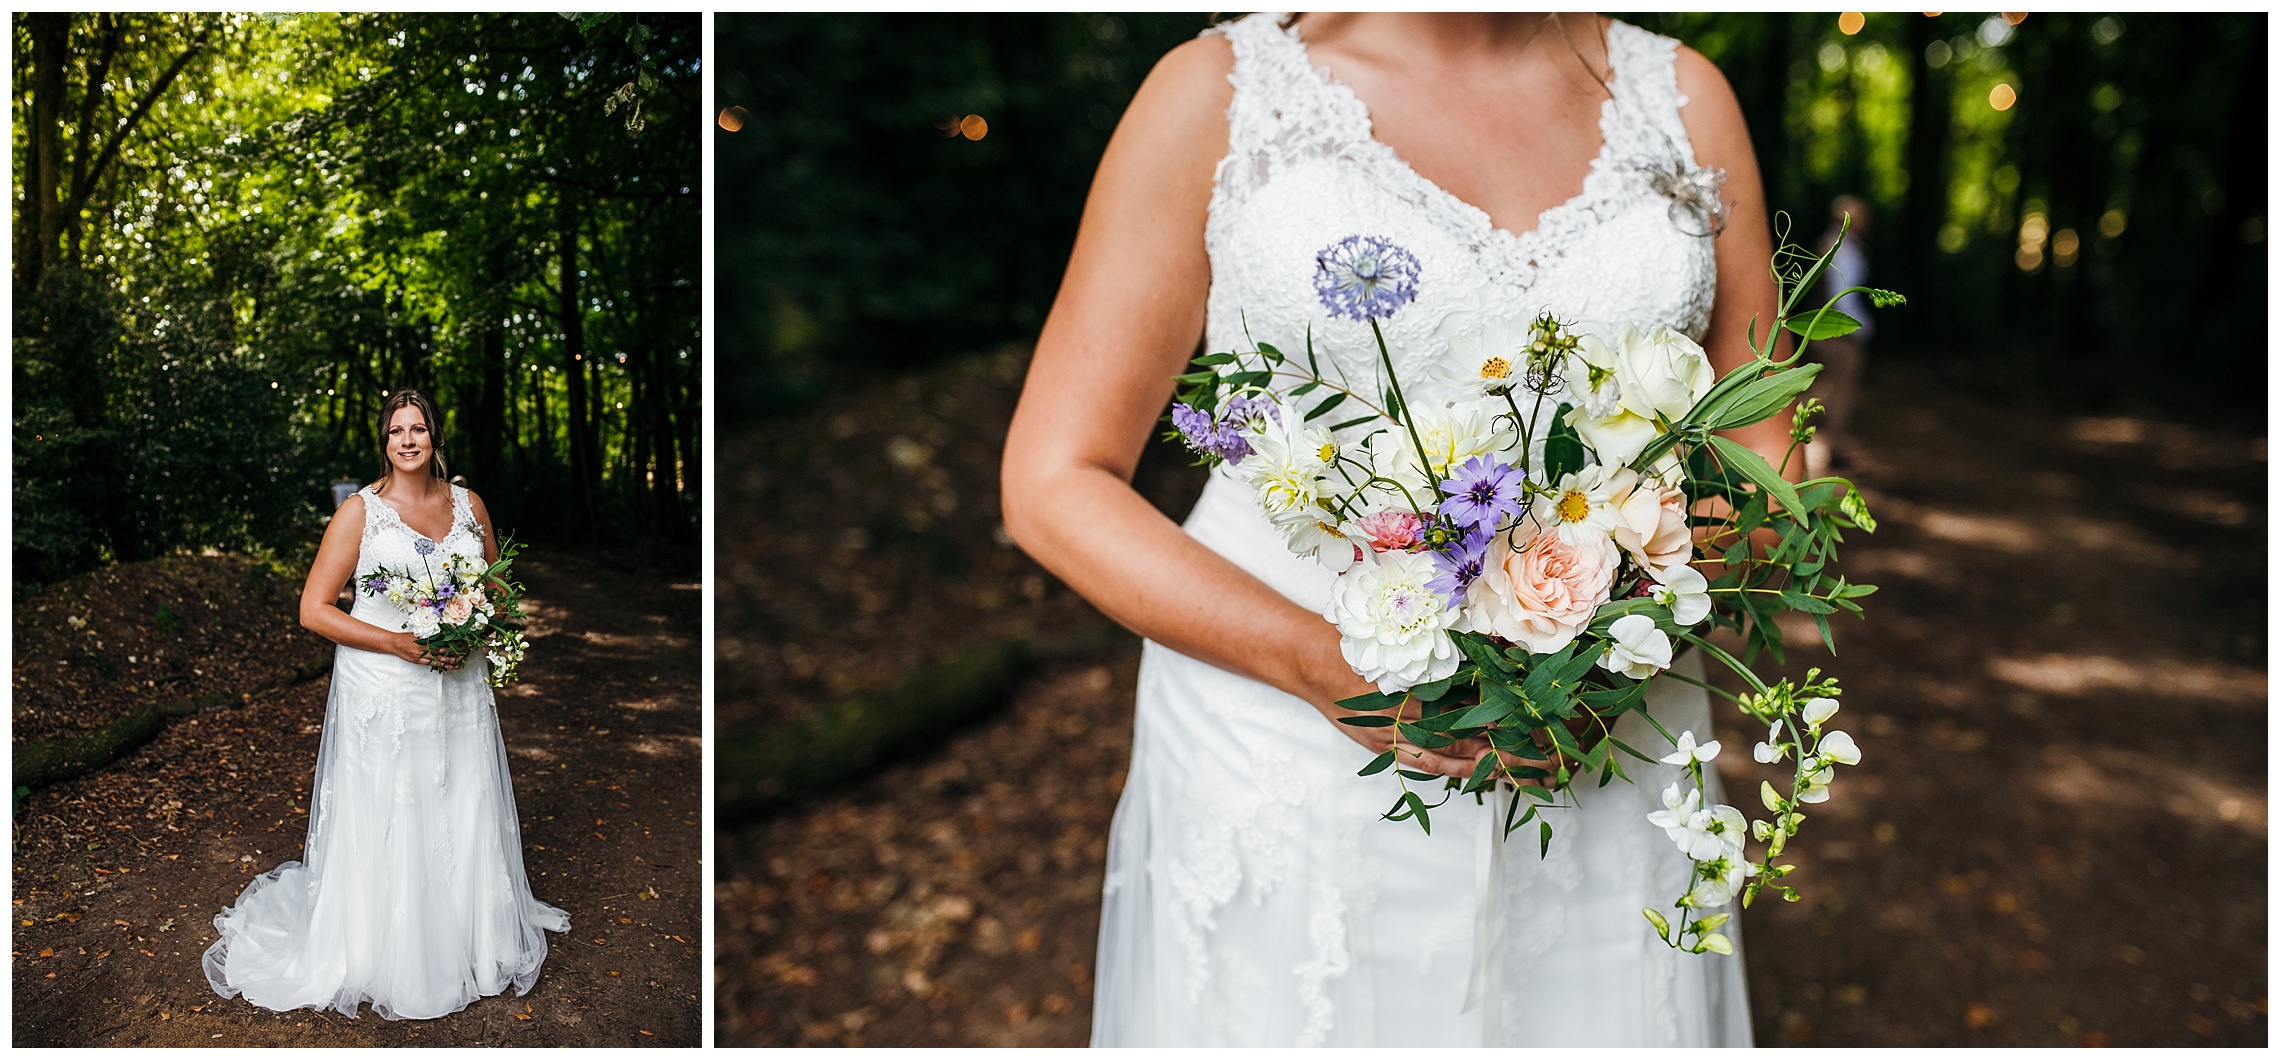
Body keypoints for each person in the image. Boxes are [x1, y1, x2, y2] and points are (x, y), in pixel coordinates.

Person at [1002, 12, 1794, 1046]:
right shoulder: (1218, 95)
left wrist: (1620, 637)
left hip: (1610, 741)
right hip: (1283, 748)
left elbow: (1769, 439)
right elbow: (1056, 478)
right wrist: (1310, 659)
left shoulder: (1684, 99)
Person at [204, 388, 569, 1020]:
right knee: (395, 806)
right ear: (385, 440)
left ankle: (469, 938)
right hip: (384, 688)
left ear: (435, 439)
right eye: (397, 430)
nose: (408, 440)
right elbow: (313, 610)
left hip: (458, 685)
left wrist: (482, 621)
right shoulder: (360, 513)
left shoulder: (470, 505)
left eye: (419, 429)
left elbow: (498, 588)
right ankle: (387, 949)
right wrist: (398, 643)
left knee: (461, 797)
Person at [1809, 194, 1873, 471]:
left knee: (1831, 386)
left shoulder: (1840, 246)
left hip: (1828, 327)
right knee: (1842, 388)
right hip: (1837, 329)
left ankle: (1830, 444)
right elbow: (1841, 297)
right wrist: (1859, 329)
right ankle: (1832, 447)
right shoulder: (1839, 249)